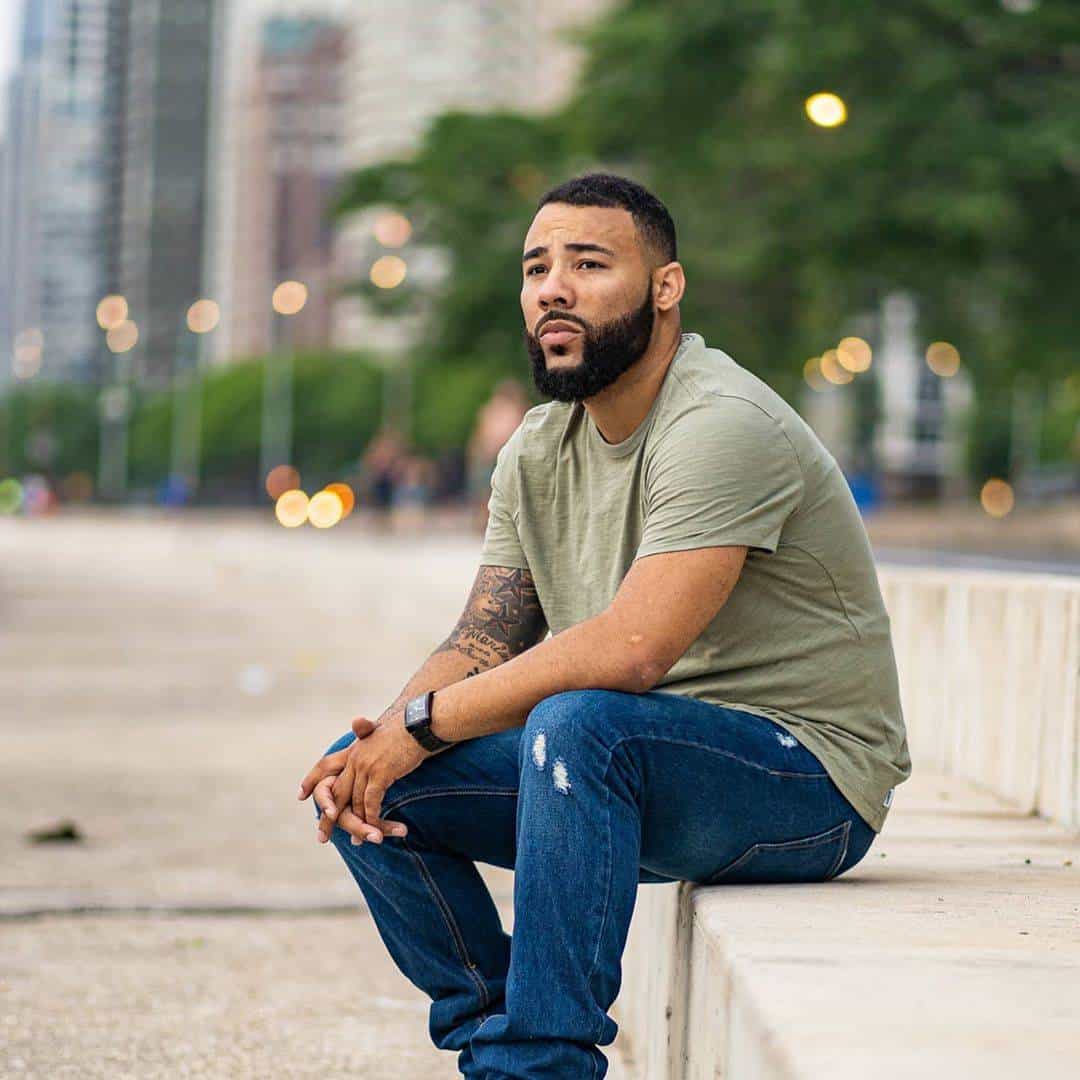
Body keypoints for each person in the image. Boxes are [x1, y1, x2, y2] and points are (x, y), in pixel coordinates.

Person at [297, 173, 912, 1078]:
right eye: (537, 266)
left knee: (578, 723)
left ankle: (544, 1064)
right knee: (371, 786)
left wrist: (426, 726)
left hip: (806, 781)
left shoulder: (720, 422)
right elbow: (479, 642)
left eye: (589, 264)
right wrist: (387, 740)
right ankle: (492, 1038)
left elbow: (632, 650)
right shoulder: (539, 450)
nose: (554, 286)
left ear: (666, 288)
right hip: (635, 761)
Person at [466, 378, 531, 533]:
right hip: (492, 456)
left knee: (497, 493)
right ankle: (486, 524)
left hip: (499, 455)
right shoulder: (493, 410)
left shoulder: (515, 410)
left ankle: (491, 524)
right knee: (487, 493)